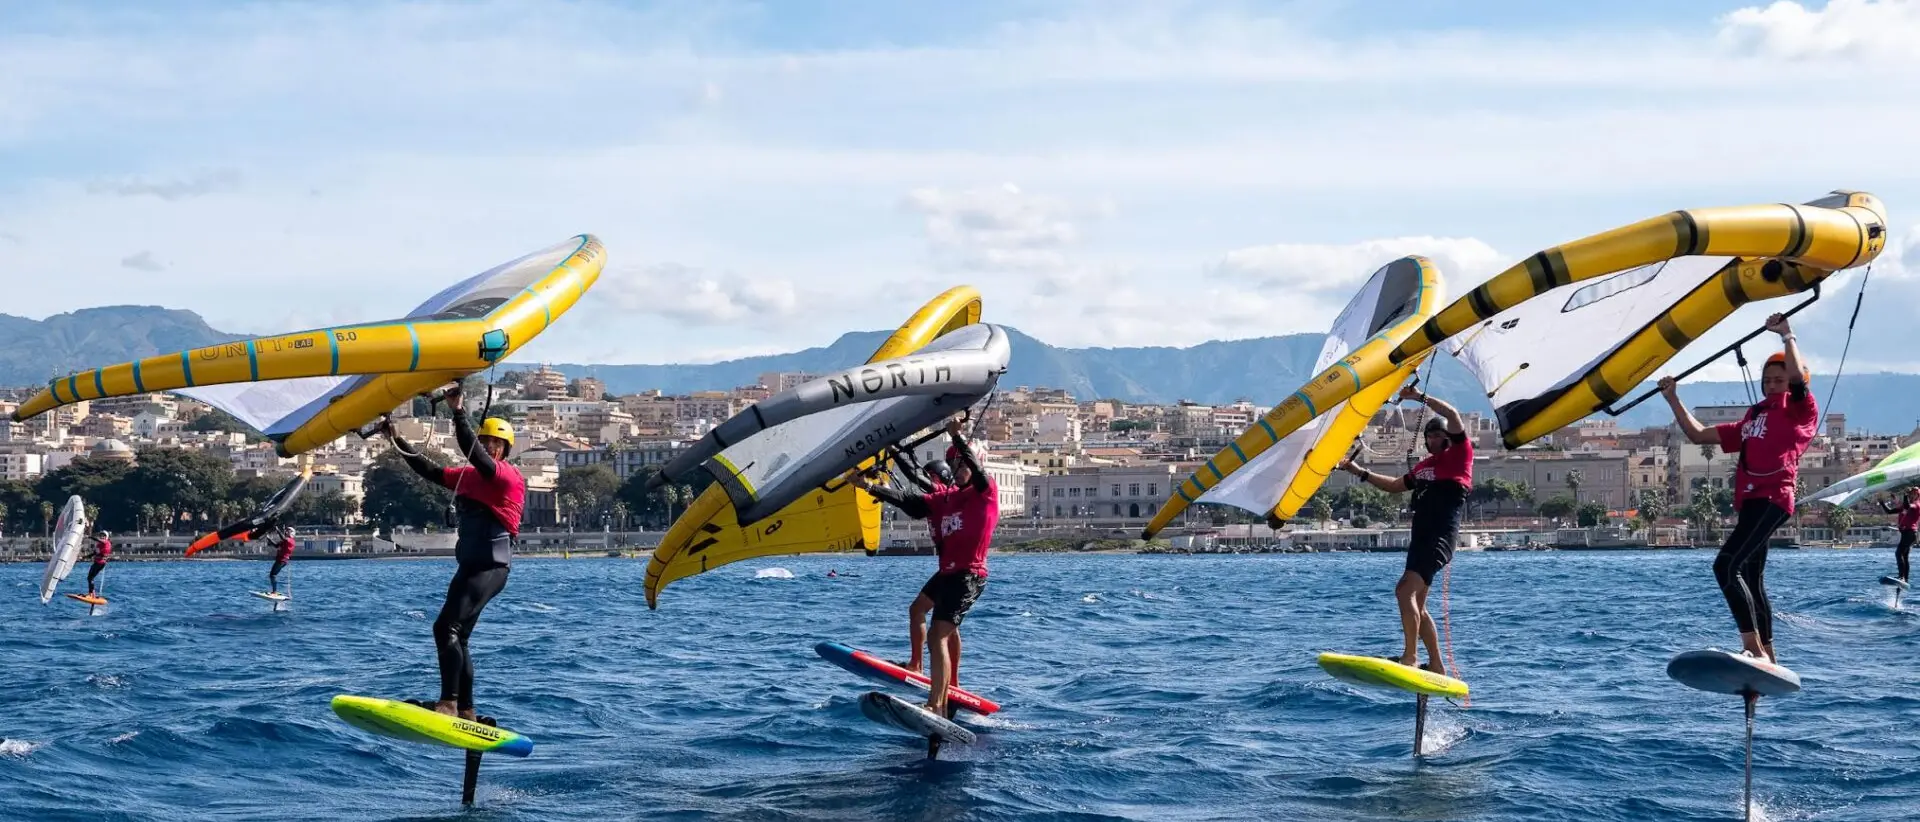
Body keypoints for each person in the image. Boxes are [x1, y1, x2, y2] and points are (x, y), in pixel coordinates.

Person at [1659, 313, 1815, 664]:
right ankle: (1769, 657)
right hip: (1750, 503)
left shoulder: (1798, 411)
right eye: (1769, 381)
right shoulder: (1751, 419)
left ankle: (1753, 648)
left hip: (1773, 498)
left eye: (1780, 380)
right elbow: (1699, 434)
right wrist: (1673, 398)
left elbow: (1797, 377)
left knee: (1725, 565)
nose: (1775, 385)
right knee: (1751, 576)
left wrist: (1787, 335)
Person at [382, 383, 524, 720]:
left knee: (444, 628)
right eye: (486, 441)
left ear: (505, 450)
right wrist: (394, 437)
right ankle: (466, 709)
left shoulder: (506, 477)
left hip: (490, 566)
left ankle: (447, 703)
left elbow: (470, 449)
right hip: (471, 567)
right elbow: (428, 470)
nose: (489, 447)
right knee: (459, 636)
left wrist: (457, 409)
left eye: (496, 444)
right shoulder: (468, 478)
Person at [850, 419, 998, 716]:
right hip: (946, 573)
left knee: (938, 634)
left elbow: (976, 470)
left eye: (963, 465)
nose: (961, 471)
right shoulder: (946, 498)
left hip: (968, 574)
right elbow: (909, 495)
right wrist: (868, 485)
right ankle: (937, 683)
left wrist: (957, 438)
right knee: (923, 615)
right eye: (955, 466)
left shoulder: (986, 492)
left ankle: (937, 704)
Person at [1336, 384, 1471, 676]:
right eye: (1431, 435)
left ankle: (1409, 657)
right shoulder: (1424, 467)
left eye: (1440, 435)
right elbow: (1396, 486)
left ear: (1450, 438)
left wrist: (1419, 398)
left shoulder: (1461, 455)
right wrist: (1358, 471)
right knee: (1418, 606)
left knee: (1403, 591)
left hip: (1438, 537)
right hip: (1421, 539)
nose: (1436, 439)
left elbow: (1451, 413)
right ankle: (1436, 664)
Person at [1878, 486, 1919, 582]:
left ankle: (1902, 577)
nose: (1911, 495)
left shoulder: (1917, 504)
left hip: (1910, 533)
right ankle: (1905, 579)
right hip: (1906, 534)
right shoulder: (1907, 505)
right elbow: (1889, 511)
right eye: (1910, 494)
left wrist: (1905, 495)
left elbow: (1907, 507)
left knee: (1898, 553)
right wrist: (1881, 503)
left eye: (1913, 494)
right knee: (1904, 556)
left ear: (1917, 495)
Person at [266, 525, 295, 594]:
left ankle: (274, 591)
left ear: (291, 533)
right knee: (272, 575)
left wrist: (278, 530)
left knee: (272, 575)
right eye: (286, 531)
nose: (286, 532)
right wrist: (269, 539)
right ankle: (274, 591)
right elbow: (276, 545)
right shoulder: (284, 541)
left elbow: (283, 538)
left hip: (282, 561)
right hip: (280, 560)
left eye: (288, 531)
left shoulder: (291, 540)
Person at [85, 531, 112, 595]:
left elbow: (98, 540)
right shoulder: (99, 545)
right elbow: (94, 553)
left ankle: (91, 593)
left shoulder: (106, 542)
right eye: (101, 535)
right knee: (89, 578)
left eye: (104, 536)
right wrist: (84, 557)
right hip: (96, 563)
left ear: (106, 537)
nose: (102, 537)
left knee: (90, 578)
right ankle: (92, 593)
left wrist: (89, 536)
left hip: (100, 563)